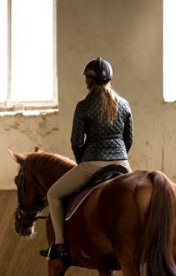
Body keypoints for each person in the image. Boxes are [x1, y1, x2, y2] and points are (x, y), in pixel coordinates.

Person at [46, 57, 133, 260]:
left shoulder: (84, 106)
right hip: (122, 164)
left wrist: (81, 161)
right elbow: (128, 138)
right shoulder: (124, 104)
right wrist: (120, 158)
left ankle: (59, 245)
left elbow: (76, 141)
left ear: (89, 80)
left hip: (93, 163)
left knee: (53, 194)